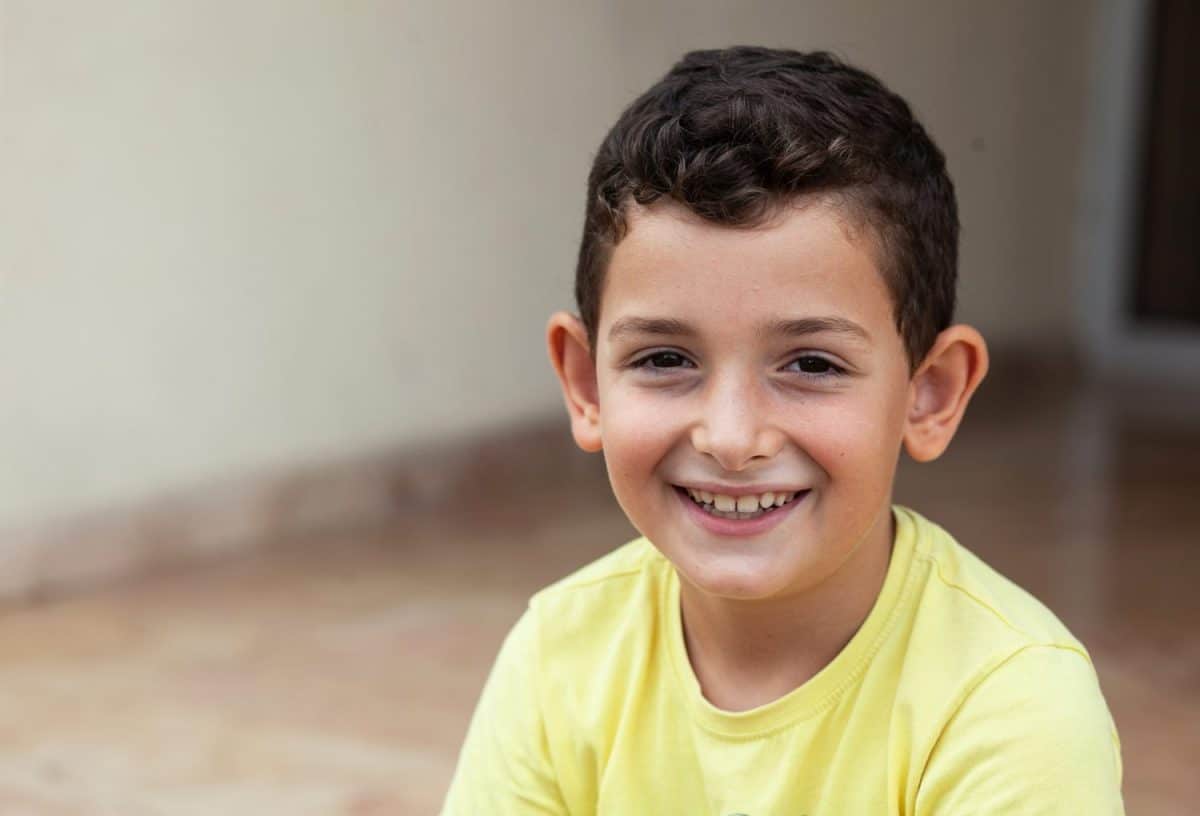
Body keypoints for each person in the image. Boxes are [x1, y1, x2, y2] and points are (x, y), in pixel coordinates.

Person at [441, 46, 1124, 814]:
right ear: (584, 381)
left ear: (929, 394)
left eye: (812, 365)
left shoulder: (1010, 702)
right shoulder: (559, 654)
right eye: (666, 358)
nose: (732, 439)